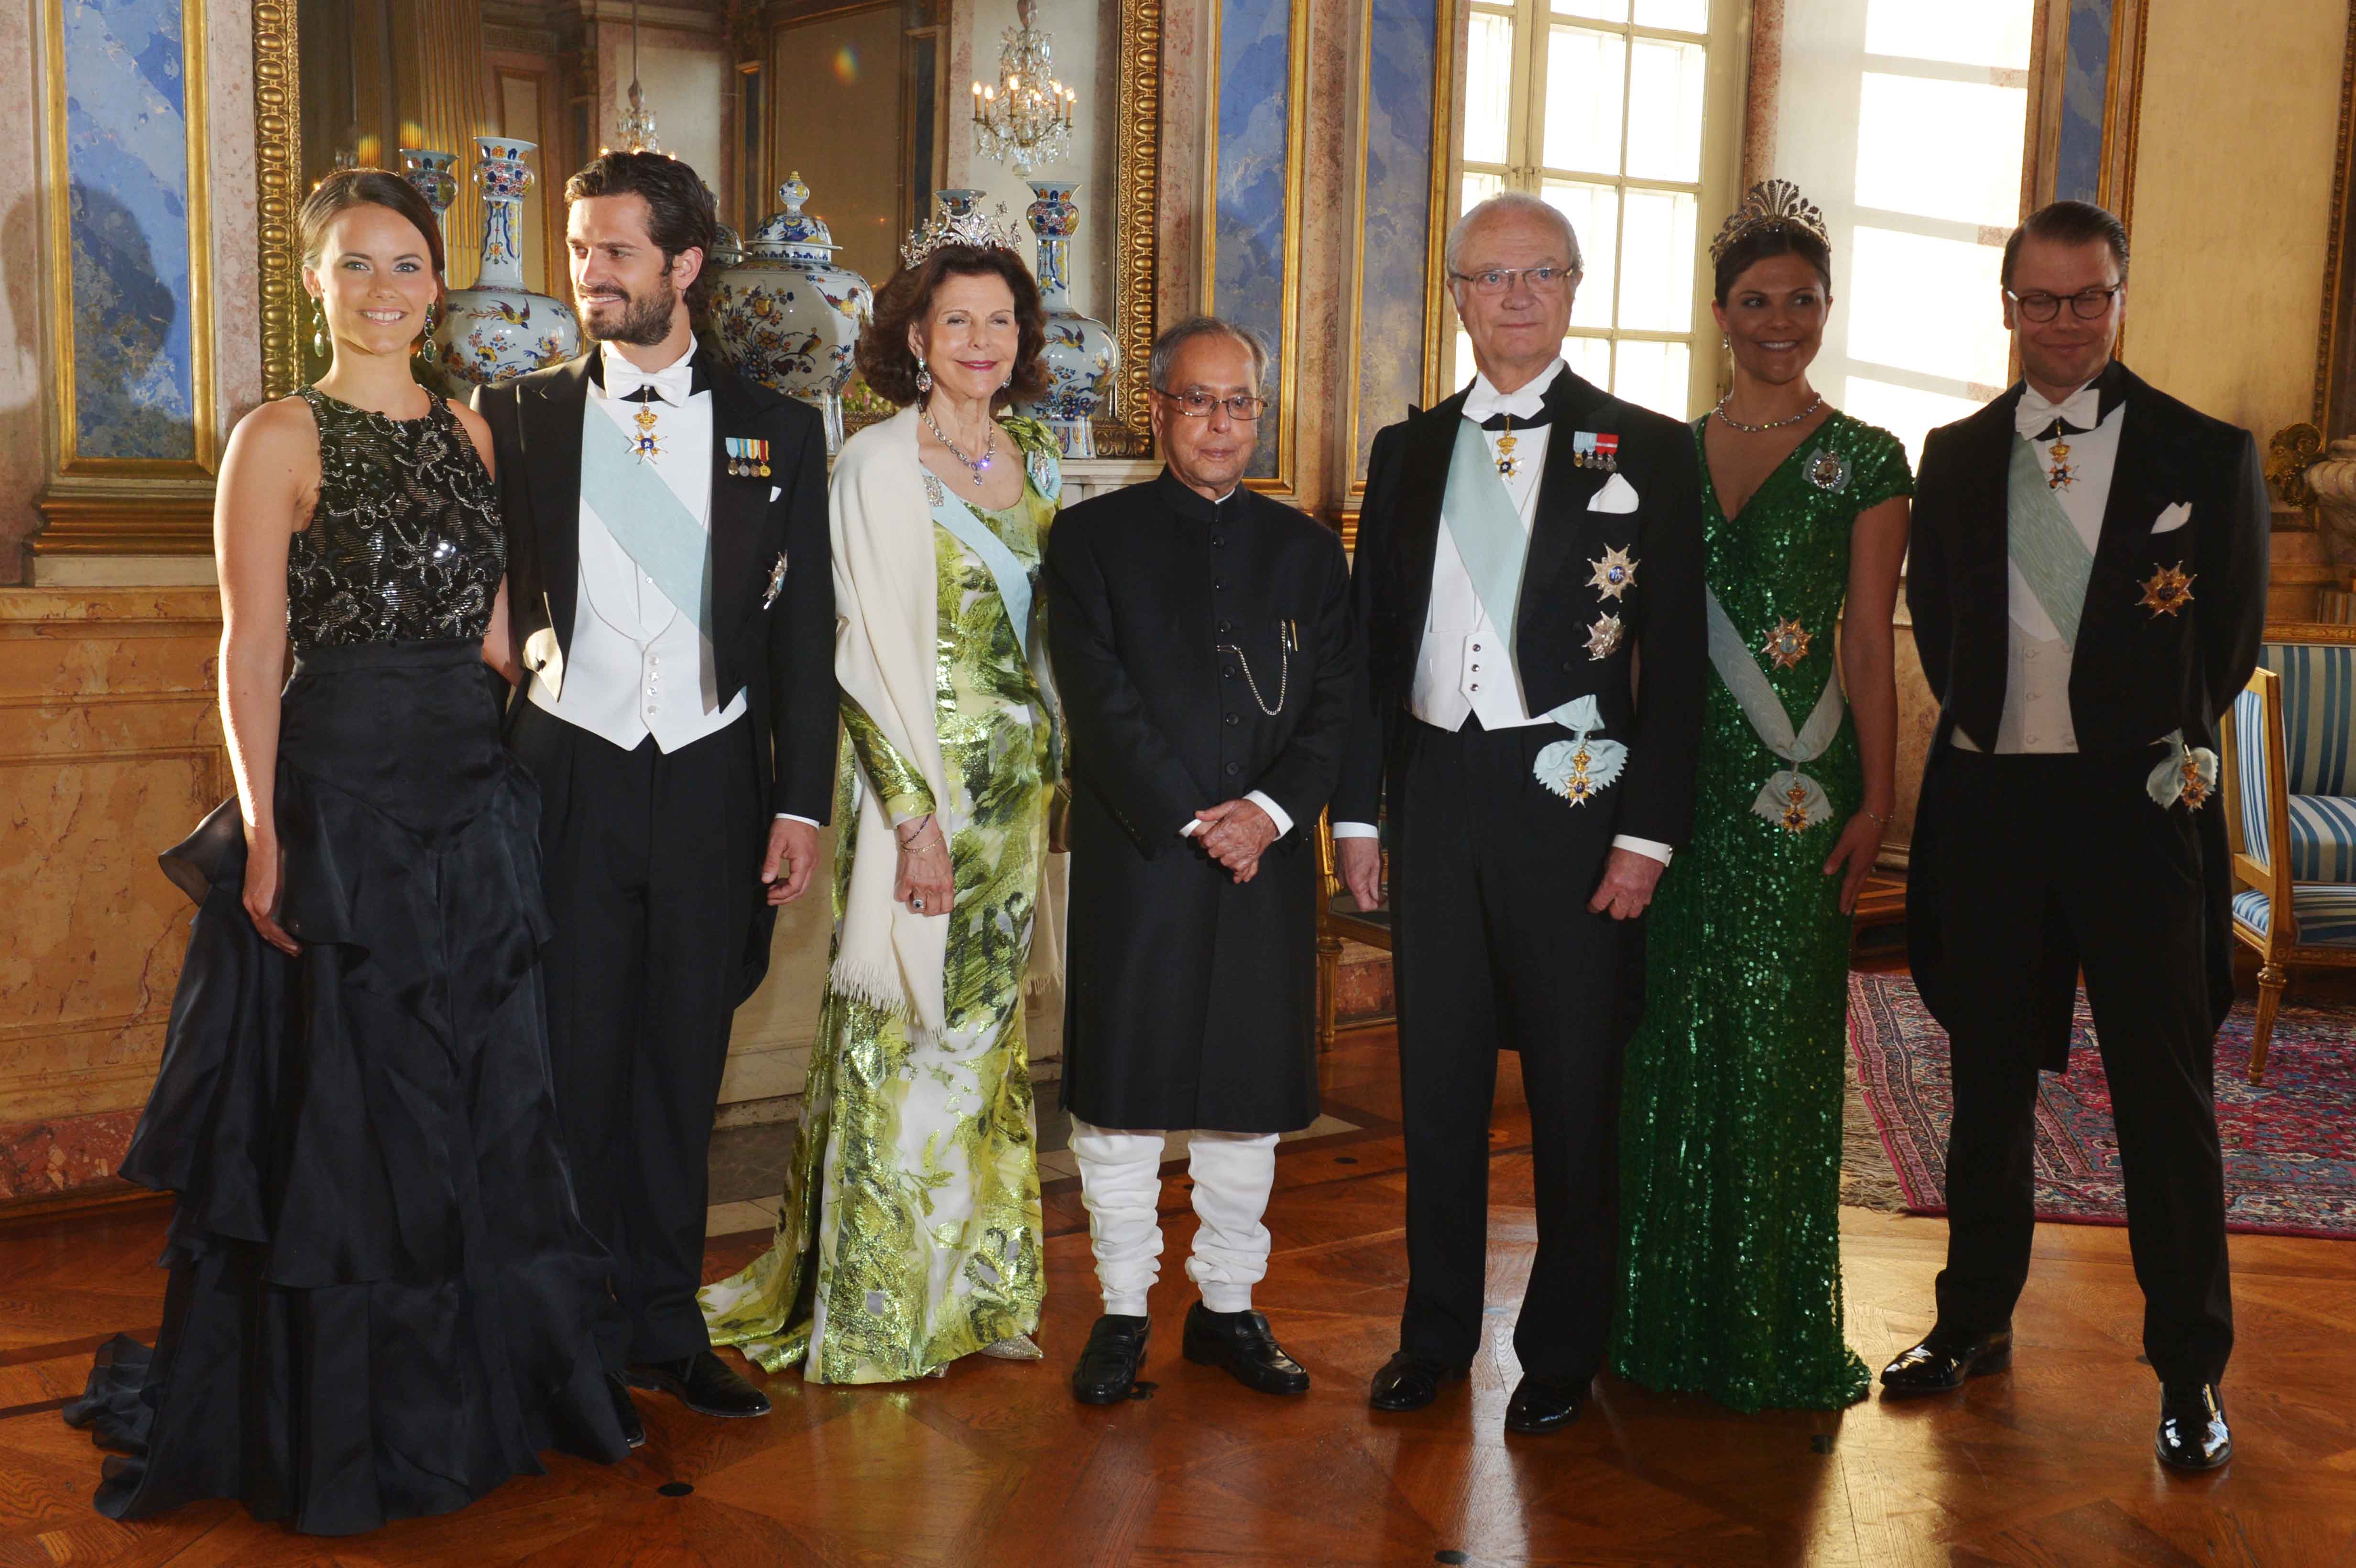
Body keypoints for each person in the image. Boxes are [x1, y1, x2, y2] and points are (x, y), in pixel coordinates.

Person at [62, 171, 632, 1534]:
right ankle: (334, 1422)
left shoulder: (479, 437)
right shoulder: (277, 437)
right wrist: (262, 832)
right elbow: (251, 650)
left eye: (407, 266)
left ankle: (465, 1404)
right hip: (339, 806)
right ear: (312, 283)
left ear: (439, 287)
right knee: (347, 1126)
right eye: (356, 265)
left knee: (478, 1110)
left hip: (471, 805)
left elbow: (502, 637)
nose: (385, 289)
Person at [1889, 199, 2267, 1470]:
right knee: (1987, 1083)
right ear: (2009, 306)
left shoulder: (2206, 459)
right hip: (1995, 808)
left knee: (2166, 1099)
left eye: (2088, 297)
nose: (2064, 322)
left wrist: (2117, 745)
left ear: (2122, 296)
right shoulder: (1951, 456)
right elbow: (1941, 629)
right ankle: (1972, 1323)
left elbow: (2225, 650)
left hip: (2141, 814)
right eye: (2040, 300)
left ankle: (2190, 1374)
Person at [471, 151, 837, 1423]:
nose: (589, 277)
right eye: (579, 252)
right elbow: (486, 611)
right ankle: (563, 1339)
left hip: (711, 785)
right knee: (570, 1071)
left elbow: (804, 635)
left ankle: (668, 1326)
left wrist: (804, 806)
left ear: (682, 266)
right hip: (564, 777)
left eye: (615, 252)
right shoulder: (513, 418)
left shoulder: (780, 431)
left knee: (684, 1067)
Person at [1333, 192, 1706, 1434]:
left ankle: (1560, 1355)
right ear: (1457, 295)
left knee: (1572, 1089)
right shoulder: (1407, 451)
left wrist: (1649, 837)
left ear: (1575, 286)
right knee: (1434, 1087)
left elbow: (1681, 663)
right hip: (1434, 794)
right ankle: (1434, 1337)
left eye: (1540, 274)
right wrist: (1357, 814)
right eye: (1492, 278)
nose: (1516, 297)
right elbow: (1369, 650)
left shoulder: (1648, 449)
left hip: (1579, 807)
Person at [698, 204, 1064, 1383]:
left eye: (998, 320)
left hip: (1013, 802)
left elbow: (1062, 645)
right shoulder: (869, 463)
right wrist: (913, 819)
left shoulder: (1045, 464)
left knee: (984, 1044)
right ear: (913, 335)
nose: (979, 339)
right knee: (897, 1039)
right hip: (913, 793)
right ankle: (873, 1306)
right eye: (955, 318)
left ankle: (976, 1291)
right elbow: (846, 658)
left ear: (1022, 338)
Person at [1609, 181, 1911, 1412]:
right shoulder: (1669, 453)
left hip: (1799, 791)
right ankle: (1661, 1312)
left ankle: (1767, 1319)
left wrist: (1879, 800)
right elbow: (1637, 642)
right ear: (1720, 311)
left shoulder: (1869, 459)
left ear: (1826, 310)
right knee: (1670, 1040)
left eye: (1799, 300)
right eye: (1754, 300)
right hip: (1683, 788)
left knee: (1780, 1051)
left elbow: (1864, 643)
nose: (1777, 321)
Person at [1045, 317, 1361, 1405]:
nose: (1219, 423)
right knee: (1124, 1095)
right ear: (1159, 408)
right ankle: (1122, 1312)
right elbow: (1098, 701)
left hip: (1263, 859)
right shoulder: (1089, 541)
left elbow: (1334, 705)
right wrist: (1194, 818)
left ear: (1257, 413)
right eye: (1197, 400)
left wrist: (1269, 813)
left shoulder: (1311, 553)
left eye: (1239, 403)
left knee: (1245, 1095)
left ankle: (1228, 1306)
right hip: (1141, 855)